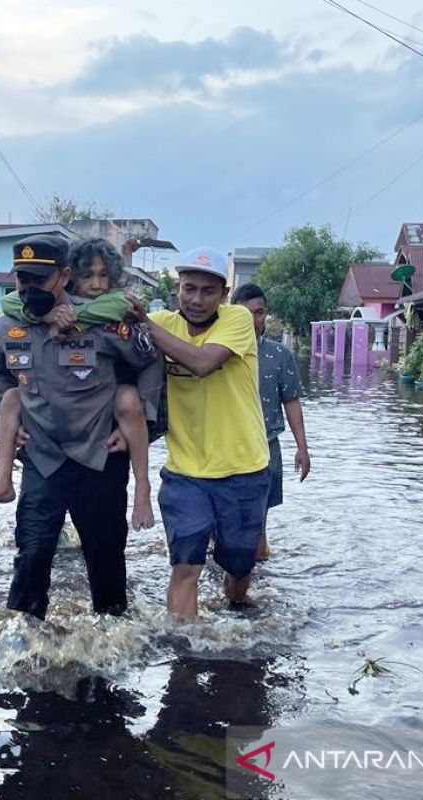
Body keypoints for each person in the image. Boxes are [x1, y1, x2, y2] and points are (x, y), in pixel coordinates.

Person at [0, 234, 160, 620]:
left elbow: (149, 362)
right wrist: (6, 421)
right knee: (32, 554)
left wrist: (139, 421)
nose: (30, 289)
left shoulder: (106, 323)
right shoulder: (4, 326)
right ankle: (24, 643)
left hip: (99, 457)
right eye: (22, 280)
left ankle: (112, 653)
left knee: (105, 561)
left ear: (64, 276)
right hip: (42, 457)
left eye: (40, 280)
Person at [143, 247, 270, 619]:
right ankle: (186, 655)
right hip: (185, 472)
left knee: (239, 565)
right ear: (177, 288)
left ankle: (236, 601)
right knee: (185, 568)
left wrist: (145, 326)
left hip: (243, 468)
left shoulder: (238, 320)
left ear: (224, 294)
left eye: (207, 291)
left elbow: (201, 363)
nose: (196, 299)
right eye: (188, 289)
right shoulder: (162, 322)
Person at [232, 283, 311, 560]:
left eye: (259, 313)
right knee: (220, 522)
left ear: (265, 315)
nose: (253, 320)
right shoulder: (216, 353)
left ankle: (258, 580)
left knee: (258, 523)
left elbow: (291, 401)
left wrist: (302, 448)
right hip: (224, 447)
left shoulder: (280, 356)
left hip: (266, 448)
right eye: (245, 313)